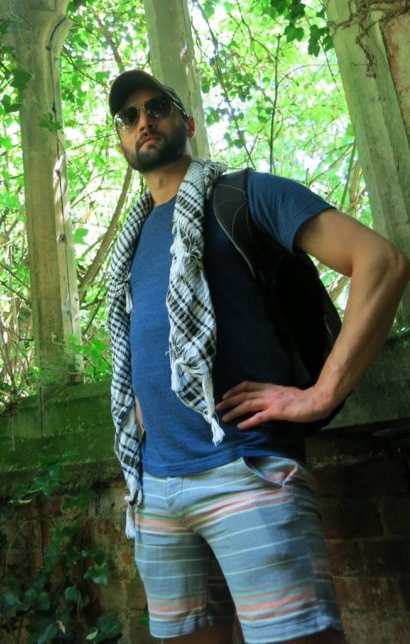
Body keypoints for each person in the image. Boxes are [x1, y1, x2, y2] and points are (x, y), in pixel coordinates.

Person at [106, 69, 410, 644]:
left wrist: (320, 393)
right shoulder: (133, 239)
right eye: (129, 116)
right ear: (121, 138)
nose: (144, 121)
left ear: (187, 122)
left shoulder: (246, 194)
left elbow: (382, 262)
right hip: (156, 489)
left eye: (158, 107)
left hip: (245, 470)